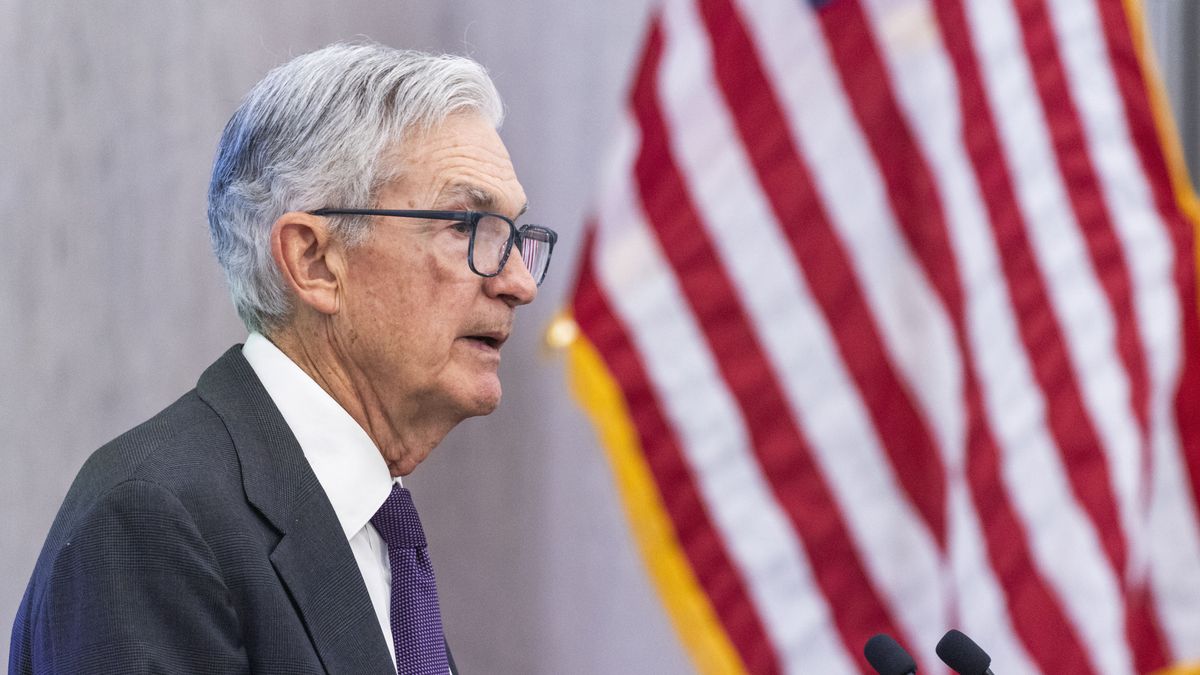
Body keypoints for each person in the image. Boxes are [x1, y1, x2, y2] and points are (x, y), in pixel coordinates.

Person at [9, 41, 556, 675]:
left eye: (515, 234)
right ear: (314, 261)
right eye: (466, 227)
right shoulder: (152, 520)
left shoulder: (376, 526)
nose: (520, 283)